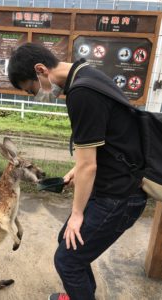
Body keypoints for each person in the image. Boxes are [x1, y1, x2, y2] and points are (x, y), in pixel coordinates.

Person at [8, 43, 146, 300]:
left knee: (67, 261)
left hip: (119, 196)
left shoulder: (81, 94)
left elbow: (89, 165)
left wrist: (76, 214)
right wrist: (77, 169)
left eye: (32, 89)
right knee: (68, 242)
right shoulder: (85, 73)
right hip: (117, 183)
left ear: (40, 70)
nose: (36, 95)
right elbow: (103, 143)